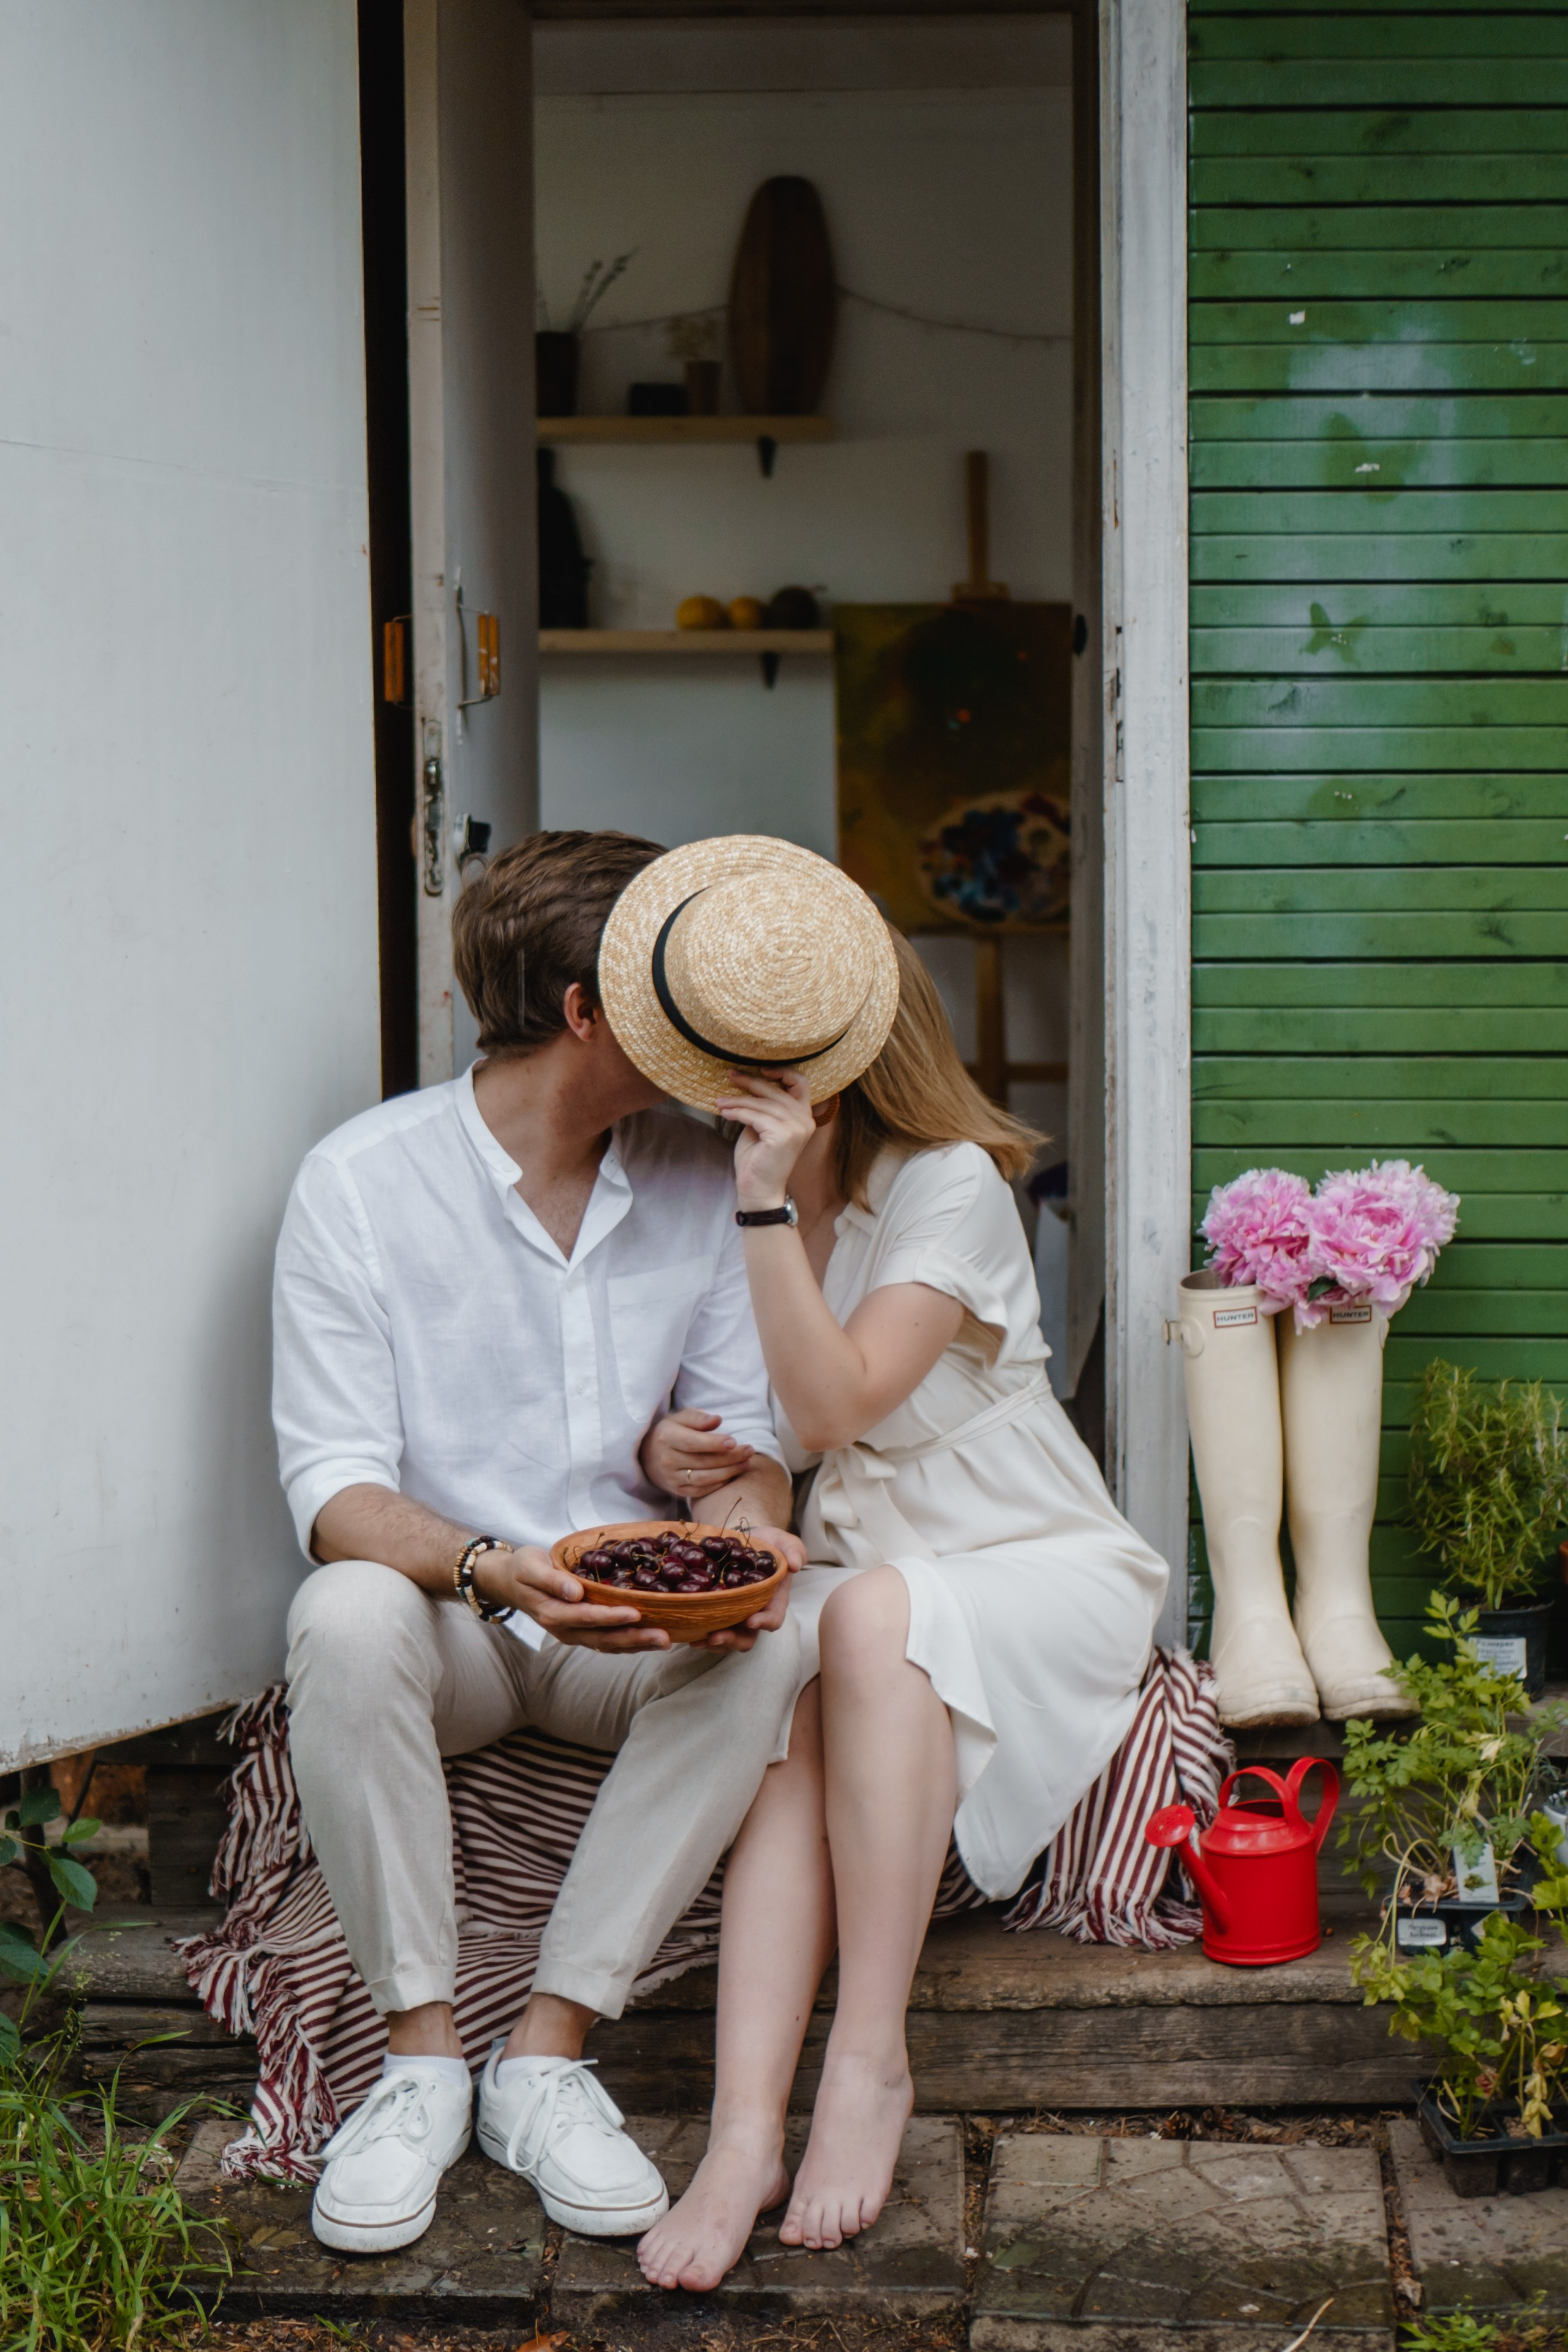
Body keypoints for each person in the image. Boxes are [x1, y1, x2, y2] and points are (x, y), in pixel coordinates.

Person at [590, 835, 1170, 2290]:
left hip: (1026, 1559)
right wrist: (700, 1467)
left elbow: (842, 1397)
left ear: (838, 1059)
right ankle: (738, 2135)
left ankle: (867, 2064)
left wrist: (766, 1205)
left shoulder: (950, 1185)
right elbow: (795, 1442)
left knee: (864, 1622)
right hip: (867, 1563)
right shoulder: (736, 1190)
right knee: (806, 1654)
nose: (731, 1089)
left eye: (760, 1063)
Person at [271, 831, 804, 2258]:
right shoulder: (359, 1183)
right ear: (589, 1011)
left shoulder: (703, 1178)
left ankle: (546, 2056)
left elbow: (743, 1460)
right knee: (340, 1611)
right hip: (458, 1624)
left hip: (622, 1642)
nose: (713, 1024)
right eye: (672, 990)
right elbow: (334, 1493)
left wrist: (745, 1539)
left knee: (789, 1632)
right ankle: (421, 2061)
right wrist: (491, 1566)